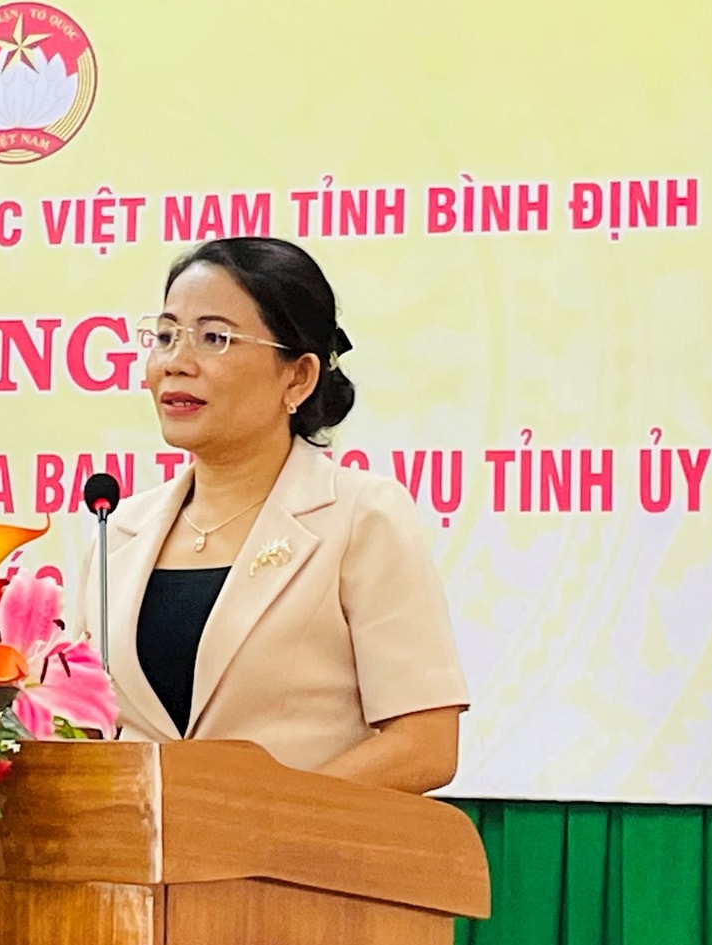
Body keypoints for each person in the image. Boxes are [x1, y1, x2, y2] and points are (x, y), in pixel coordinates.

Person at [83, 237, 468, 794]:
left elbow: (426, 743)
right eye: (165, 336)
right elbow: (81, 728)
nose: (176, 364)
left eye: (214, 338)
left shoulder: (360, 516)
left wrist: (263, 825)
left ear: (298, 377)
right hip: (135, 876)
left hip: (297, 871)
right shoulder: (117, 530)